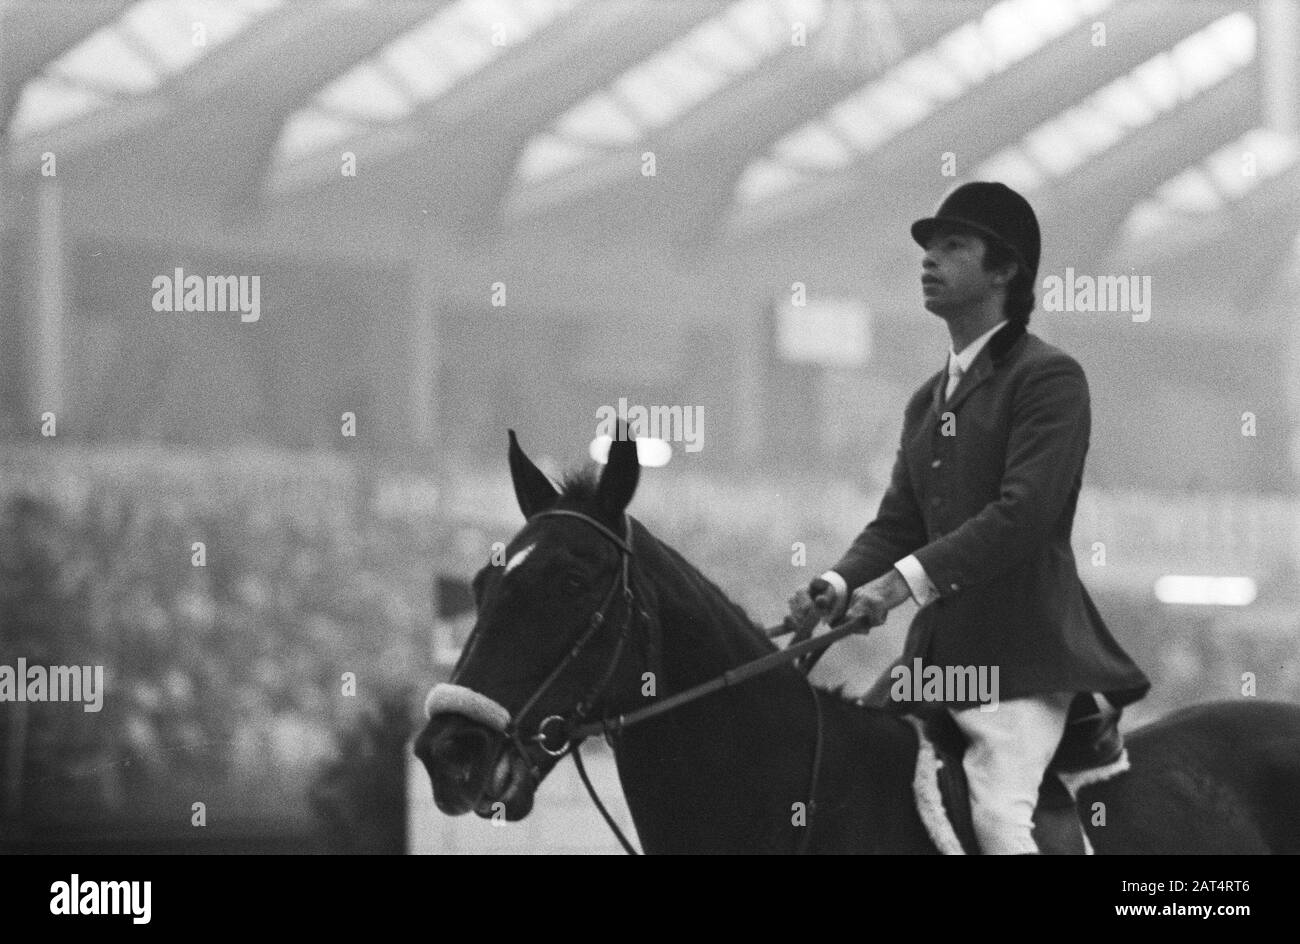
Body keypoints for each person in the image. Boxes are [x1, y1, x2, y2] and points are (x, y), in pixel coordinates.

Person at [788, 181, 1149, 855]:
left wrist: (899, 584)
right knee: (846, 778)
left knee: (999, 821)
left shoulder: (1050, 378)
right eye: (929, 247)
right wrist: (834, 587)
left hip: (1021, 659)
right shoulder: (928, 400)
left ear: (1005, 269)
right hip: (936, 665)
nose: (929, 259)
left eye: (953, 246)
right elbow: (899, 524)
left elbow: (1024, 516)